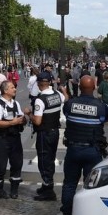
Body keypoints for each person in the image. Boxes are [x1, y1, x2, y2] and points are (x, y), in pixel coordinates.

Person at [60, 75, 108, 215]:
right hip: (92, 151)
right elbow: (106, 119)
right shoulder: (101, 107)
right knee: (91, 187)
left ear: (80, 87)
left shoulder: (70, 105)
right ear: (94, 87)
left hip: (73, 150)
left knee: (69, 184)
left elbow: (66, 113)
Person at [0, 79, 27, 198]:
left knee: (17, 164)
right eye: (12, 87)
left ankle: (14, 190)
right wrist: (12, 122)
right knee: (0, 165)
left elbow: (20, 118)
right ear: (5, 90)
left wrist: (23, 119)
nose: (15, 89)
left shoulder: (15, 103)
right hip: (2, 139)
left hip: (15, 138)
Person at [29, 70, 64, 201]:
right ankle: (46, 185)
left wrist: (28, 114)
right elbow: (65, 97)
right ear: (49, 82)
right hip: (55, 131)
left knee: (44, 161)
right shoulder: (57, 94)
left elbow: (37, 120)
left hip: (44, 133)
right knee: (50, 158)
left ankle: (48, 190)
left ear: (39, 83)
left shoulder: (40, 99)